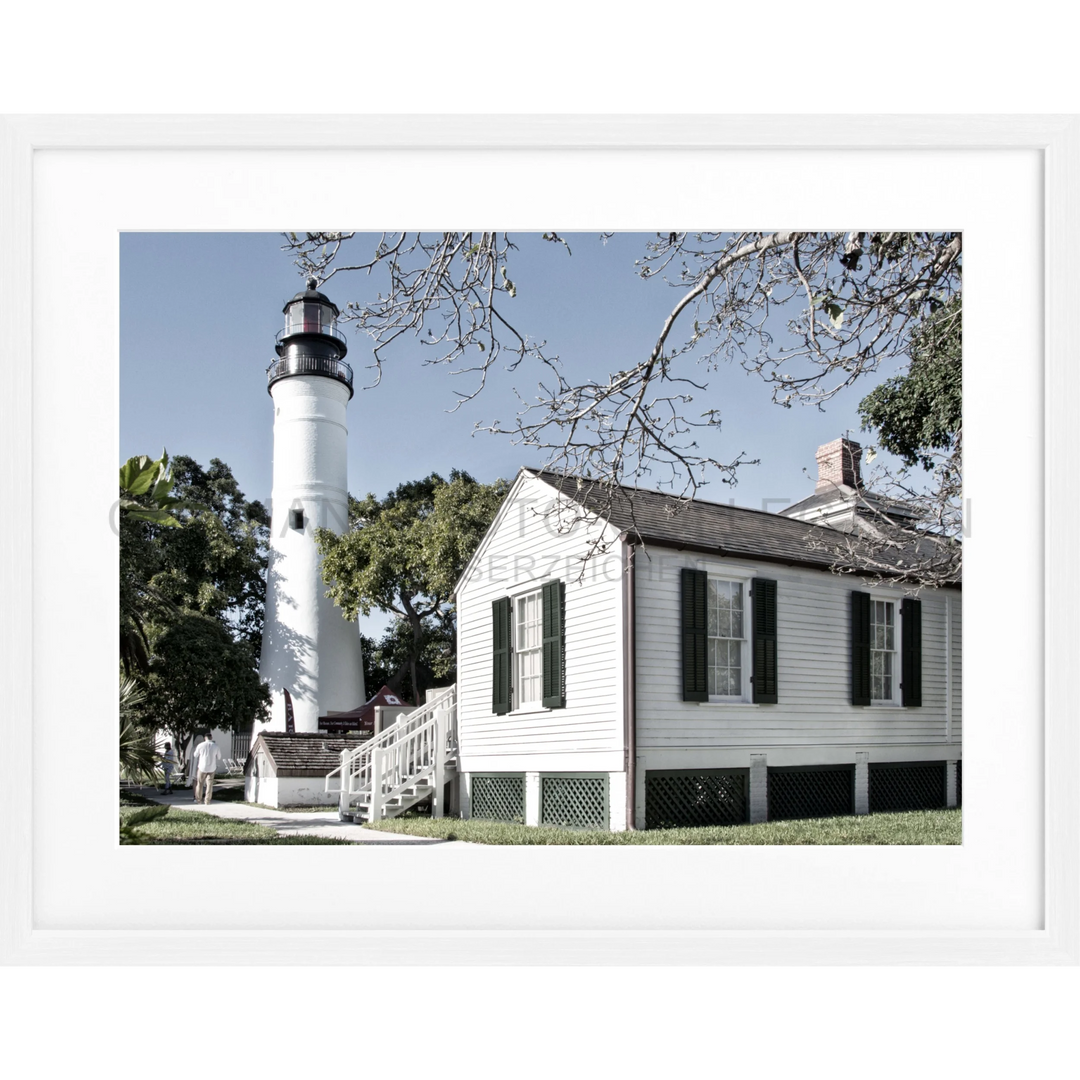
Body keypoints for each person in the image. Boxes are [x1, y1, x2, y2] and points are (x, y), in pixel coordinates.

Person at [192, 732, 223, 805]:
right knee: (209, 785)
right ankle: (207, 800)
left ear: (204, 738)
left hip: (202, 767)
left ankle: (199, 800)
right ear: (211, 738)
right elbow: (219, 757)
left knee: (199, 784)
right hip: (212, 767)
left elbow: (195, 755)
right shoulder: (216, 746)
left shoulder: (200, 745)